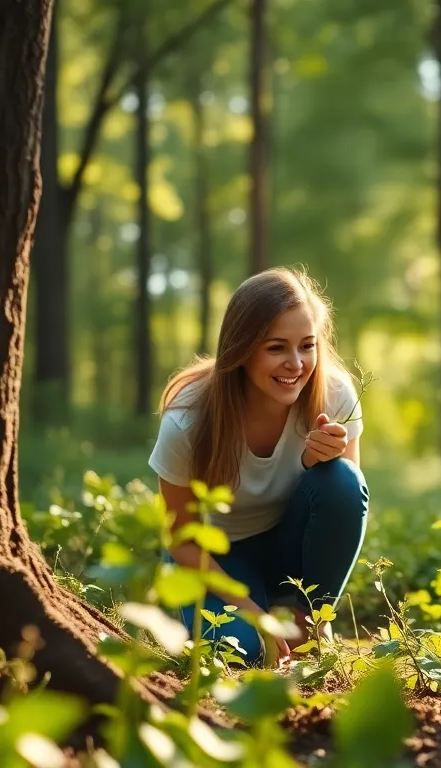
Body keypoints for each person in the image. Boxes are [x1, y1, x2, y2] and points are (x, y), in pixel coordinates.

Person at [149, 267, 368, 667]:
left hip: (290, 546)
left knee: (342, 479)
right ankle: (225, 612)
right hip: (218, 556)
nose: (296, 363)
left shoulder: (334, 394)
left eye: (307, 345)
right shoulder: (187, 421)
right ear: (242, 348)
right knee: (241, 655)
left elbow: (347, 505)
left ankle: (309, 620)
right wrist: (252, 612)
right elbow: (181, 538)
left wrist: (320, 462)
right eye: (276, 348)